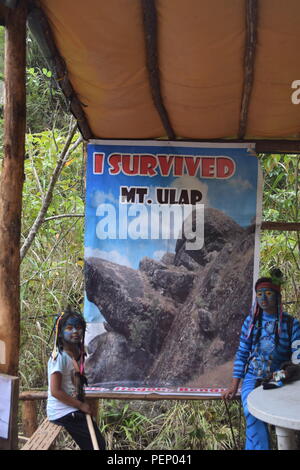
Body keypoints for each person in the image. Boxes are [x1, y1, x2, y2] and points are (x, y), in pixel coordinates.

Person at [222, 272, 300, 450]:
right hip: (252, 377)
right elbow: (242, 353)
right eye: (259, 294)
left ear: (277, 295)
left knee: (282, 420)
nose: (263, 298)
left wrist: (289, 372)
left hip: (280, 379)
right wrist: (234, 386)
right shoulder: (251, 322)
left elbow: (298, 357)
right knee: (251, 413)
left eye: (269, 293)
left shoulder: (291, 324)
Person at [47, 306, 106, 450]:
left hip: (71, 407)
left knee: (98, 444)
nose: (75, 331)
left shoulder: (76, 352)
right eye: (69, 328)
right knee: (96, 445)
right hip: (62, 412)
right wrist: (81, 405)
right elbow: (55, 391)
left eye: (79, 327)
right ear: (60, 333)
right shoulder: (59, 357)